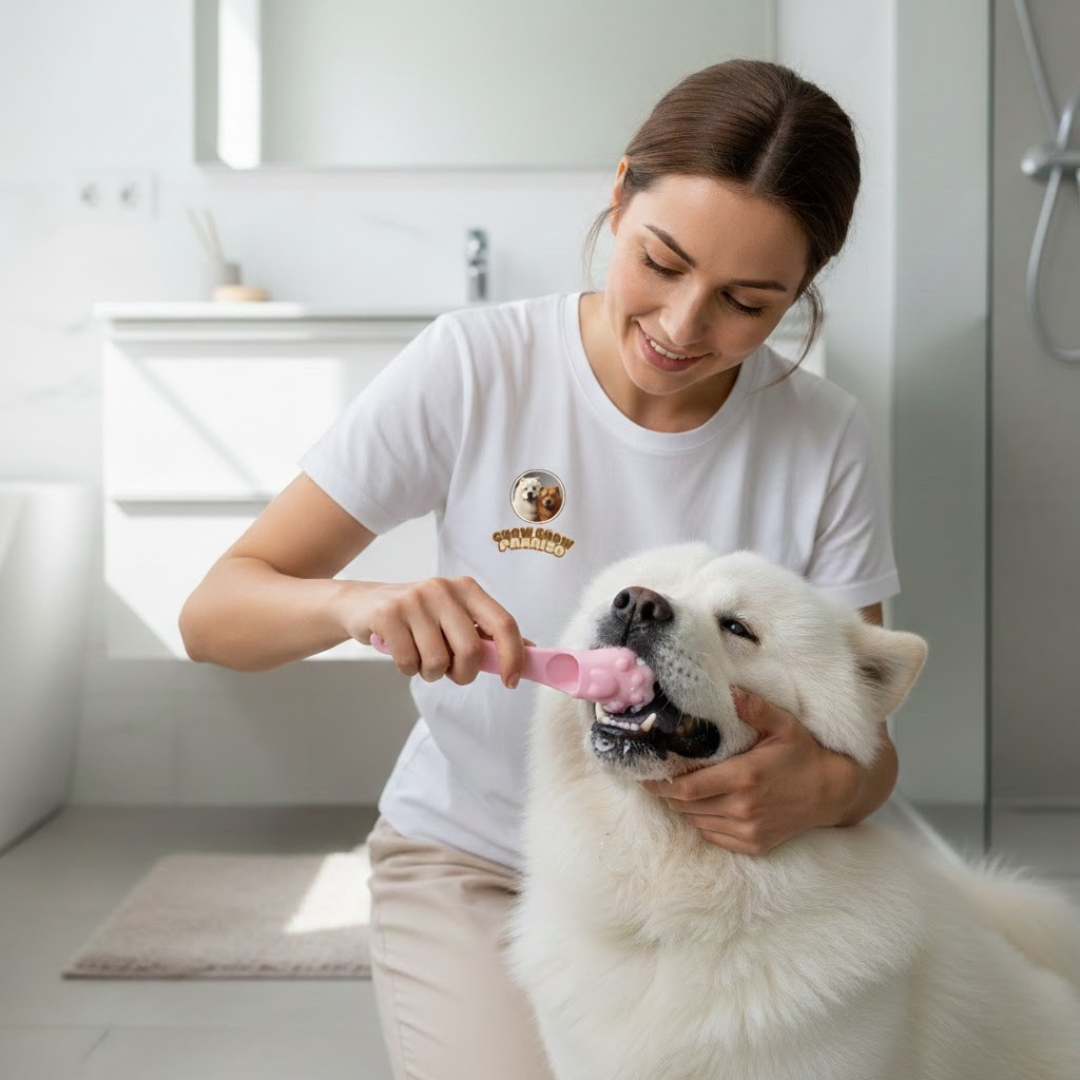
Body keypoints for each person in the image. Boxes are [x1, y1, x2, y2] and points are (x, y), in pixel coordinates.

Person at [180, 59, 900, 1080]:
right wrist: (359, 601)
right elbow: (214, 614)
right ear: (618, 197)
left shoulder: (823, 437)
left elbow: (869, 754)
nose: (685, 325)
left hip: (721, 887)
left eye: (747, 301)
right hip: (482, 862)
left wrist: (818, 792)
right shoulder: (473, 365)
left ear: (802, 291)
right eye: (661, 260)